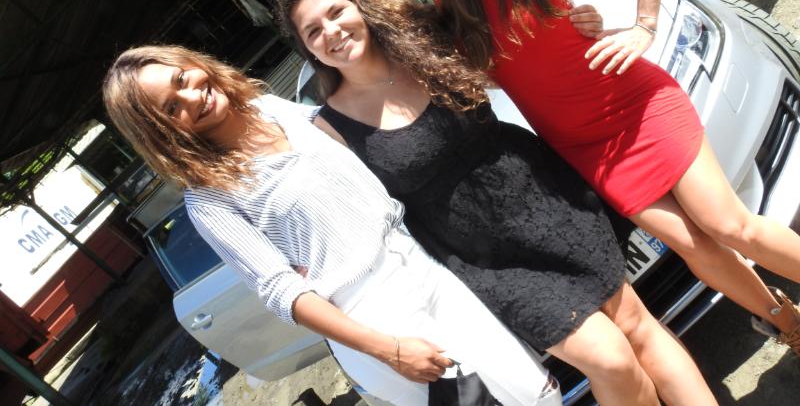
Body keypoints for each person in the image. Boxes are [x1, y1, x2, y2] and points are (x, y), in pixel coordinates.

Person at [372, 0, 800, 354]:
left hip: (634, 105)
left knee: (729, 225)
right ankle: (787, 322)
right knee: (691, 246)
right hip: (589, 149)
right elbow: (506, 68)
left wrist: (643, 26)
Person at [275, 0, 717, 406]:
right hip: (483, 260)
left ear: (358, 6)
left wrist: (579, 21)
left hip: (546, 202)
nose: (331, 31)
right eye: (313, 31)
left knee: (637, 327)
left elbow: (520, 40)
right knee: (610, 359)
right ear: (307, 49)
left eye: (336, 12)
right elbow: (336, 204)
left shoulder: (425, 43)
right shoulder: (327, 128)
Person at [102, 45, 562, 406]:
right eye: (171, 108)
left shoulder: (271, 108)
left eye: (182, 79)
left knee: (539, 393)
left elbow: (360, 145)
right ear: (163, 133)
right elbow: (280, 291)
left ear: (195, 65)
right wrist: (388, 349)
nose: (191, 96)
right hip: (373, 312)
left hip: (423, 262)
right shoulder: (209, 198)